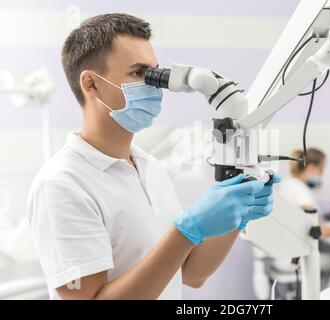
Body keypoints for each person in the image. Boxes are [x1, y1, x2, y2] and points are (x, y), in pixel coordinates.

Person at [27, 14, 279, 300]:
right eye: (139, 73)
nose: (154, 86)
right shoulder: (62, 184)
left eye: (155, 73)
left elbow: (191, 273)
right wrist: (186, 231)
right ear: (91, 84)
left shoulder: (149, 167)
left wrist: (237, 211)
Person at [278, 148, 330, 237]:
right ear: (312, 168)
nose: (321, 174)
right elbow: (321, 232)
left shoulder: (287, 183)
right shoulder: (300, 191)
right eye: (321, 169)